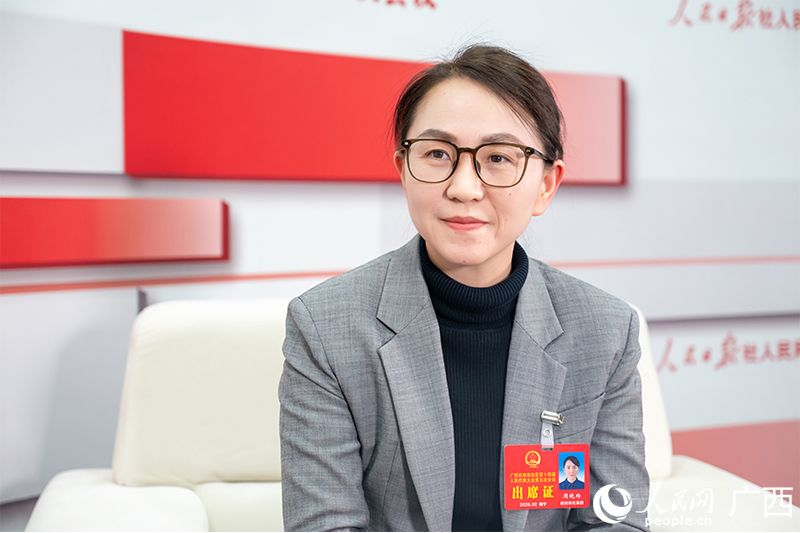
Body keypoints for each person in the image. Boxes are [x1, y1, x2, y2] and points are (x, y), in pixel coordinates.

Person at [279, 44, 649, 531]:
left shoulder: (606, 331)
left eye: (498, 157)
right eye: (437, 154)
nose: (464, 188)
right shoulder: (326, 328)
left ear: (545, 185)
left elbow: (614, 520)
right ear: (403, 169)